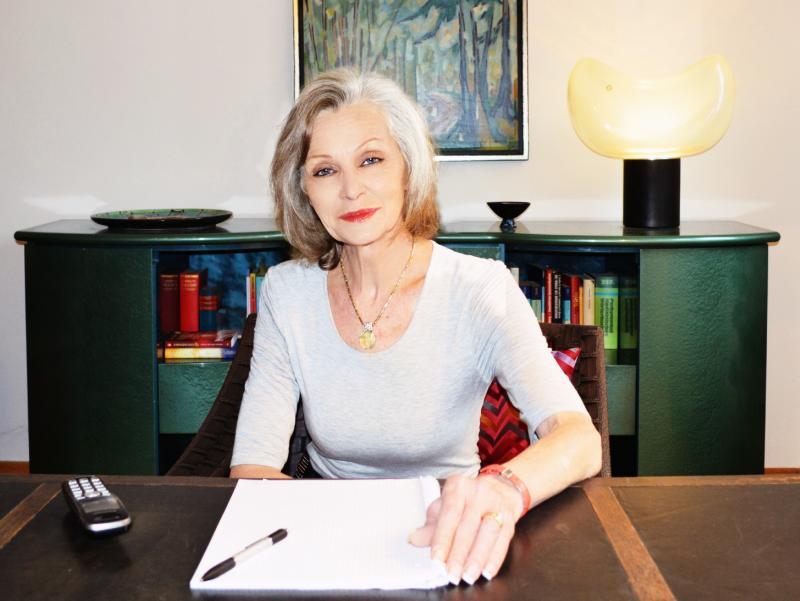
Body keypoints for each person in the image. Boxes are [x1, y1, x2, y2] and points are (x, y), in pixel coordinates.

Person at [230, 69, 601, 586]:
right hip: (327, 535)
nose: (351, 189)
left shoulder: (479, 288)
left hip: (451, 538)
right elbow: (252, 467)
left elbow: (579, 439)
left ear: (409, 169)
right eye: (325, 170)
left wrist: (504, 488)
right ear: (303, 191)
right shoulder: (285, 293)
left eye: (371, 160)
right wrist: (326, 541)